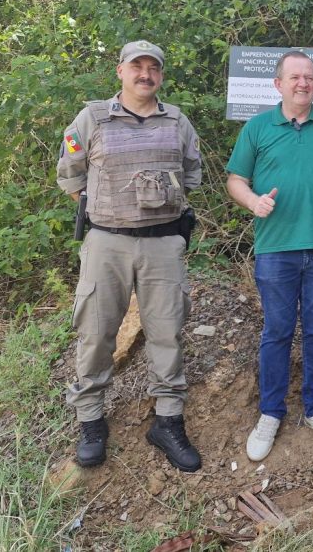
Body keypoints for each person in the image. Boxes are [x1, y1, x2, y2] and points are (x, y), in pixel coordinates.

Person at [57, 40, 203, 472]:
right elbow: (70, 175)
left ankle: (168, 421)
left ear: (161, 75)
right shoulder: (92, 118)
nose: (145, 74)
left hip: (163, 244)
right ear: (120, 71)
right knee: (96, 332)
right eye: (136, 66)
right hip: (107, 243)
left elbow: (190, 175)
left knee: (167, 332)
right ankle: (91, 421)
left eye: (153, 68)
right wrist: (109, 211)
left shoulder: (177, 121)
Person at [226, 50, 313, 462]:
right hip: (275, 249)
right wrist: (253, 202)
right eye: (295, 77)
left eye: (309, 78)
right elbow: (235, 180)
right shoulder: (257, 127)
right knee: (277, 332)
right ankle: (270, 413)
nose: (302, 83)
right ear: (278, 84)